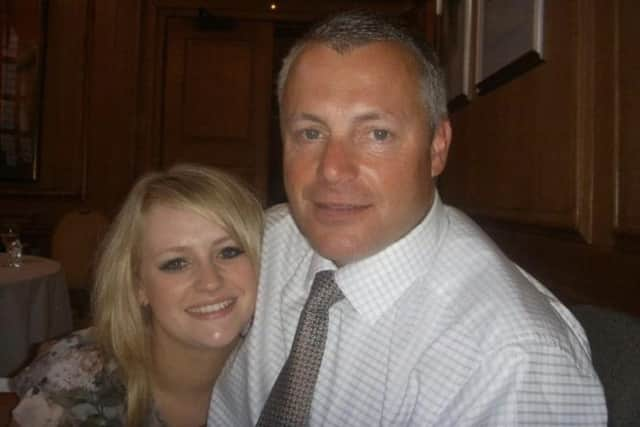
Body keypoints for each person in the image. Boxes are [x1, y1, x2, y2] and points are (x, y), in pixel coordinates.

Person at [210, 10, 607, 426]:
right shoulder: (263, 245)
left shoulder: (510, 361)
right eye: (311, 133)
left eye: (376, 133)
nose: (332, 169)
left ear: (437, 148)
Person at [11, 164, 263, 426]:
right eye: (176, 263)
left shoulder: (287, 375)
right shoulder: (75, 384)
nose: (210, 282)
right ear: (138, 286)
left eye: (229, 252)